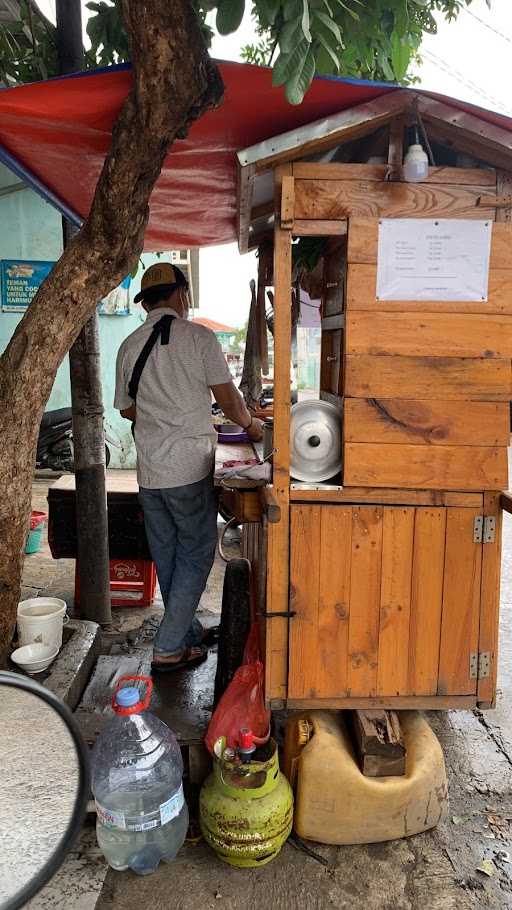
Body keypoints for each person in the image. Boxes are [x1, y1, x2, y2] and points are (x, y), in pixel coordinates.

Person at [114, 262, 263, 672]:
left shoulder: (128, 345)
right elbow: (230, 401)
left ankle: (187, 630)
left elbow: (127, 410)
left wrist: (159, 415)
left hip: (150, 470)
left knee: (168, 555)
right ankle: (167, 648)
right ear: (181, 295)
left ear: (146, 303)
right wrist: (252, 425)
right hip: (188, 468)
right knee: (197, 552)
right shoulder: (199, 338)